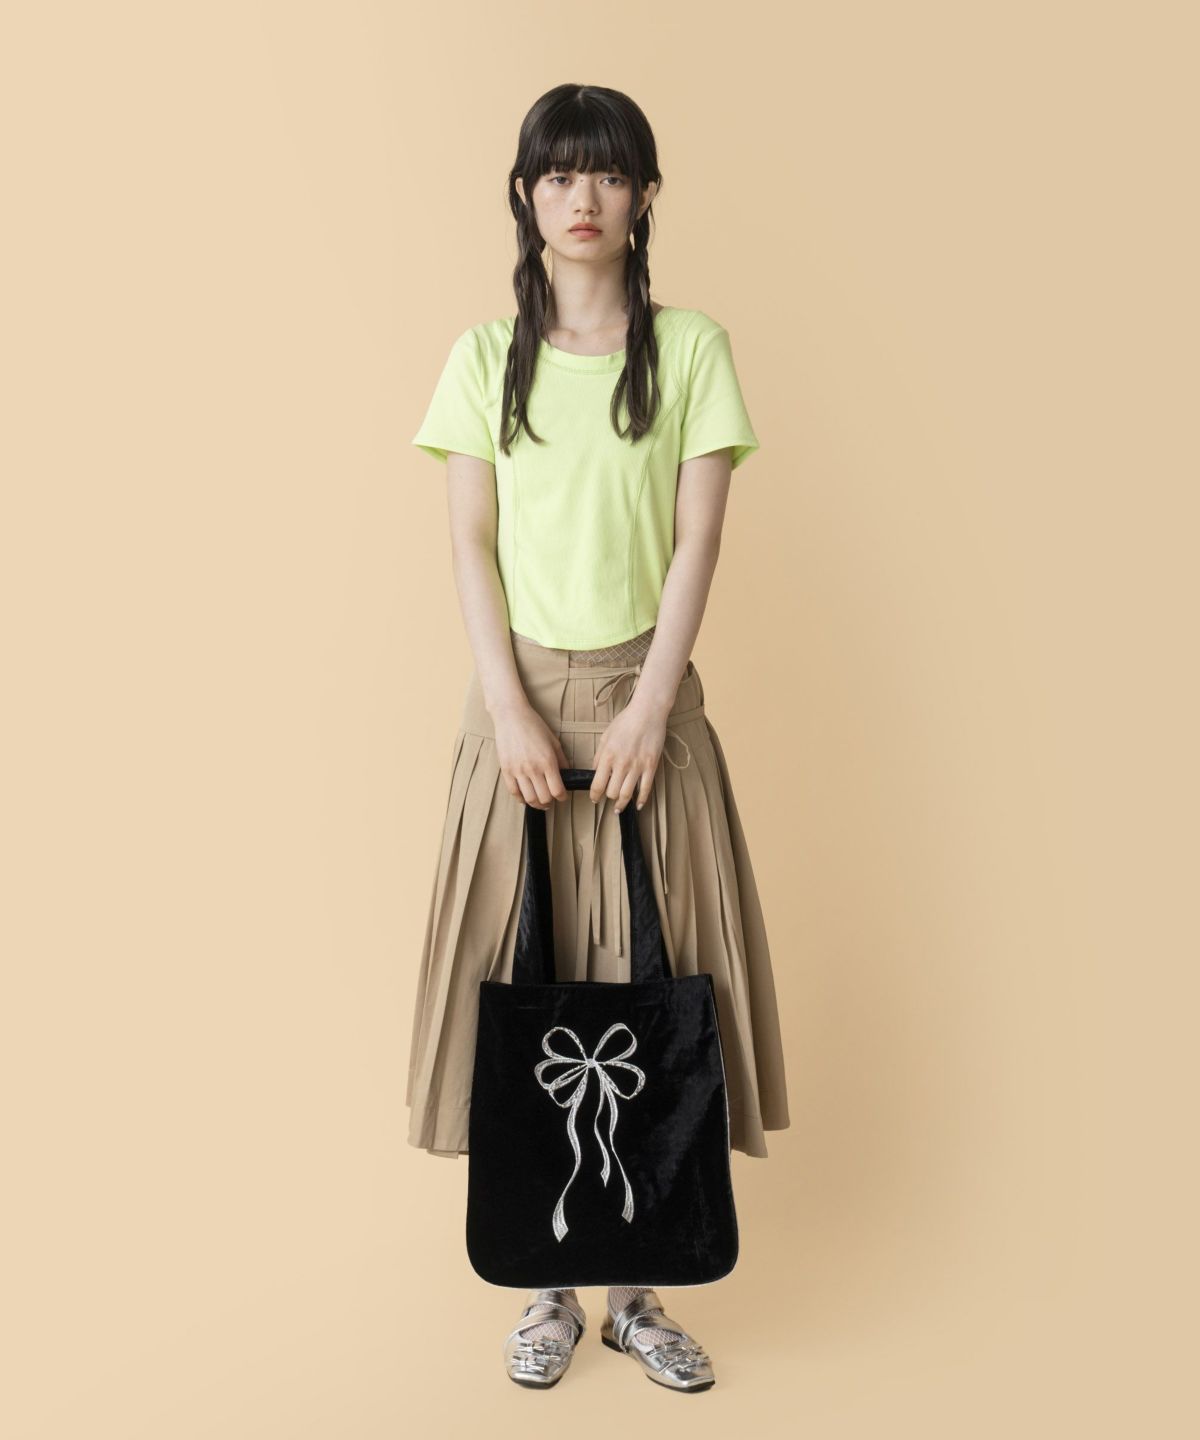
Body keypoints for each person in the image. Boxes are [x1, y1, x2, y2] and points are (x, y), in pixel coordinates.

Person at [407, 82, 790, 1393]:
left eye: (610, 173)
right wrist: (509, 703)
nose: (584, 197)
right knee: (529, 993)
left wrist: (649, 704)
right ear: (526, 195)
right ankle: (545, 1293)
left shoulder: (690, 349)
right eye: (560, 174)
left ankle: (635, 1294)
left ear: (645, 196)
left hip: (646, 709)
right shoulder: (480, 358)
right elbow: (469, 541)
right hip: (513, 711)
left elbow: (697, 542)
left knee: (643, 992)